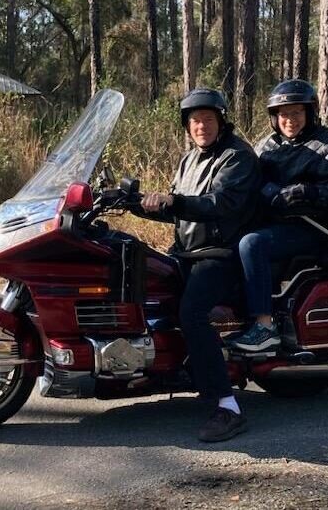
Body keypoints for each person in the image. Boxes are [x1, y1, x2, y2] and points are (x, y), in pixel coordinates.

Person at [135, 88, 260, 442]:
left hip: (221, 254)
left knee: (192, 313)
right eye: (194, 121)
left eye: (207, 119)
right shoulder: (189, 160)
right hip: (188, 251)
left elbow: (217, 203)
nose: (200, 126)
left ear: (221, 121)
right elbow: (181, 210)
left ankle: (228, 406)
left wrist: (172, 201)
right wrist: (136, 204)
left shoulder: (238, 157)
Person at [228, 79, 328, 353]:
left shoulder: (327, 147)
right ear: (274, 118)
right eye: (284, 114)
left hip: (312, 229)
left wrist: (308, 193)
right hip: (275, 223)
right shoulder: (268, 146)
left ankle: (264, 327)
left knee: (252, 244)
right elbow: (250, 178)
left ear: (309, 113)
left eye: (297, 113)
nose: (290, 120)